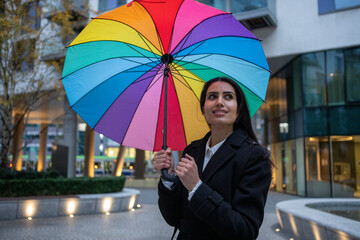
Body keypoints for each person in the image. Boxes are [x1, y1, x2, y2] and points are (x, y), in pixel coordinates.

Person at [152, 77, 272, 240]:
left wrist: (196, 186)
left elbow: (245, 231)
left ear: (238, 110)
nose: (219, 102)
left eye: (228, 97)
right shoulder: (192, 150)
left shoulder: (255, 156)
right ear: (203, 109)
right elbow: (172, 218)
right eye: (212, 96)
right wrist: (168, 179)